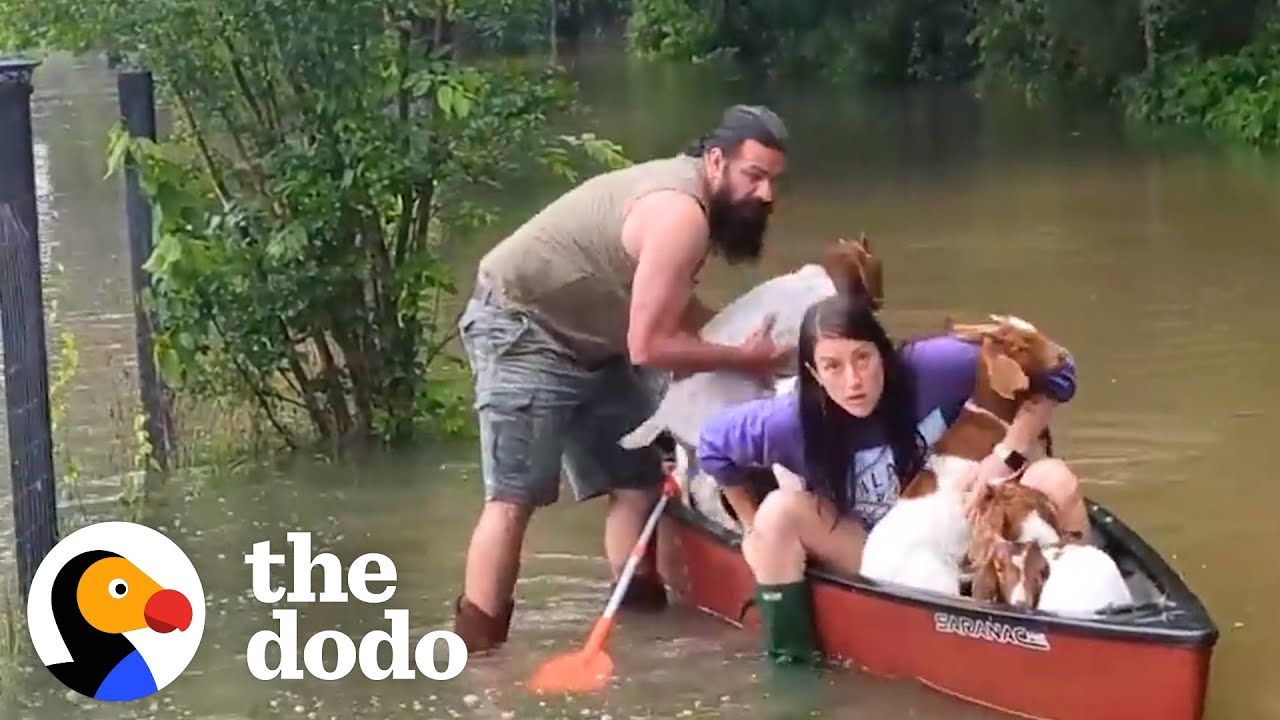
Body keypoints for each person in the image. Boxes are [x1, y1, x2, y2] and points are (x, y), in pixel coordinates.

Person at [452, 104, 795, 652]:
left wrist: (749, 341)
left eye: (773, 181)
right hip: (521, 328)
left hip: (596, 338)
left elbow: (674, 311)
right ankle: (479, 658)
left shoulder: (695, 208)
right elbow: (650, 345)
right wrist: (743, 360)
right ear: (714, 162)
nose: (766, 195)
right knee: (515, 499)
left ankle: (637, 637)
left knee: (635, 482)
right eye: (753, 176)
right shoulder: (681, 216)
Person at [695, 293, 1088, 664]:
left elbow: (1058, 372)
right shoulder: (788, 422)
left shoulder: (933, 367)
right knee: (776, 516)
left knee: (1055, 479)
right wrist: (748, 527)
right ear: (814, 373)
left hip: (961, 516)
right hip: (866, 545)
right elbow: (712, 446)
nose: (853, 381)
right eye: (833, 366)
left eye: (863, 358)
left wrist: (1007, 454)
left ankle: (1085, 621)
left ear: (884, 354)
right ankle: (794, 661)